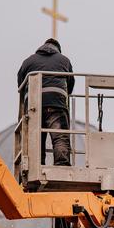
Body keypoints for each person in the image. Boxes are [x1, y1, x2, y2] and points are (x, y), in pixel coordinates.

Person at [17, 38, 75, 166]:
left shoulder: (28, 61)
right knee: (59, 136)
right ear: (57, 50)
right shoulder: (64, 60)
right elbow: (70, 85)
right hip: (56, 103)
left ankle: (36, 165)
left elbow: (20, 85)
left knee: (36, 139)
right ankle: (62, 165)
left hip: (33, 106)